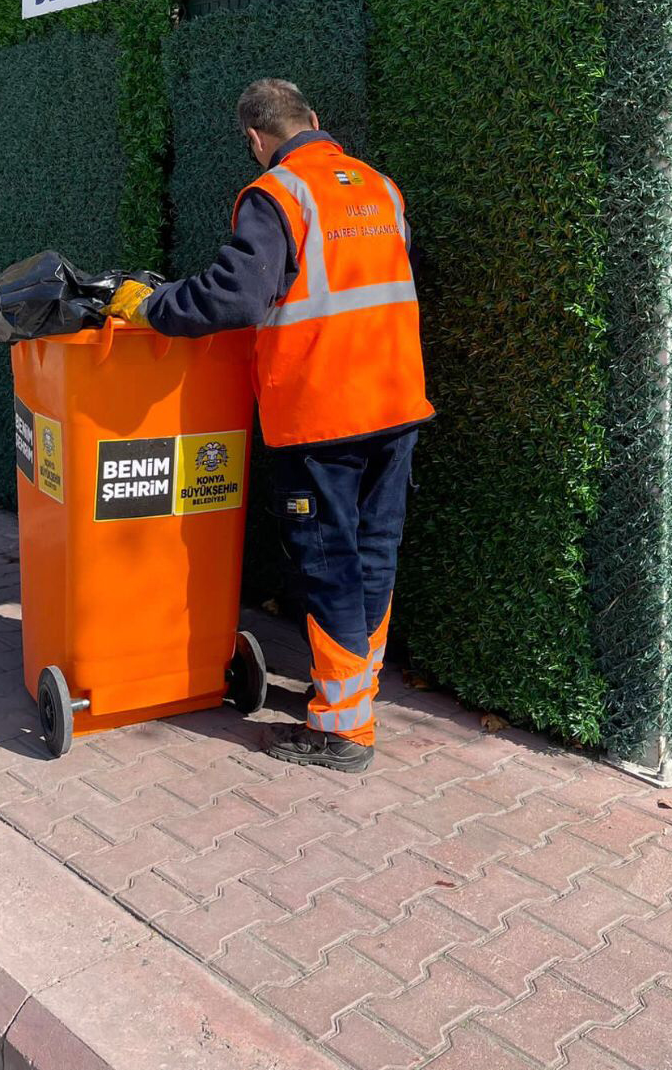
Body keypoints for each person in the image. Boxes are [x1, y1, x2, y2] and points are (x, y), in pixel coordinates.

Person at [107, 79, 433, 772]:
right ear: (314, 120)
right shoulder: (382, 187)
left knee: (329, 565)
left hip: (324, 415)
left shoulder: (279, 194)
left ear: (256, 140)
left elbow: (236, 294)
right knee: (374, 551)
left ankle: (343, 730)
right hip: (397, 404)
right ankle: (355, 695)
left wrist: (151, 306)